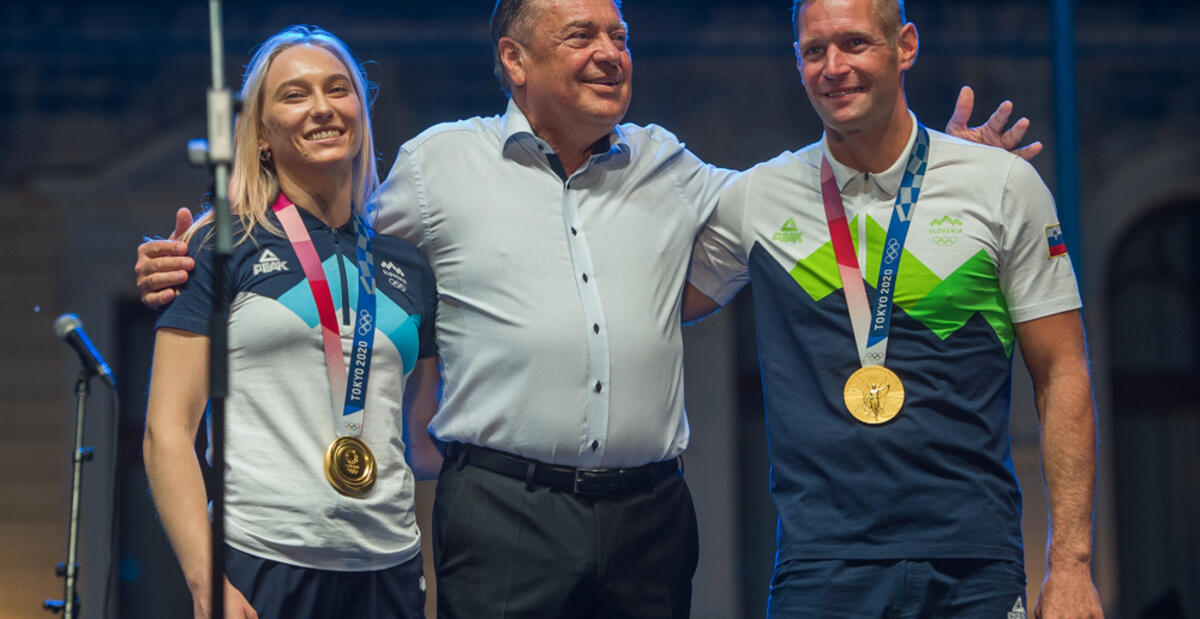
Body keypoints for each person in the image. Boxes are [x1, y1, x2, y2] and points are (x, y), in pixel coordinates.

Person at [135, 2, 1041, 617]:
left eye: (619, 33)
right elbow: (331, 218)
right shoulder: (440, 165)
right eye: (580, 35)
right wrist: (210, 239)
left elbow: (805, 195)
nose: (610, 51)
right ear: (514, 60)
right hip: (502, 512)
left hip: (650, 516)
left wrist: (927, 164)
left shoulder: (673, 166)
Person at [684, 0, 1102, 617]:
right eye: (813, 51)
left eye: (854, 44)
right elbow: (655, 305)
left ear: (905, 45)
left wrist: (1070, 563)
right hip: (820, 566)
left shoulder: (1001, 185)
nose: (833, 67)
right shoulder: (757, 198)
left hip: (974, 563)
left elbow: (1063, 371)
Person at [142, 25, 438, 619]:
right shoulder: (220, 246)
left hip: (389, 567)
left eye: (338, 89)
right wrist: (207, 585)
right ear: (261, 136)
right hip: (261, 560)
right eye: (295, 95)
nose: (323, 108)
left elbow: (426, 441)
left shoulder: (407, 264)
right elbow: (167, 431)